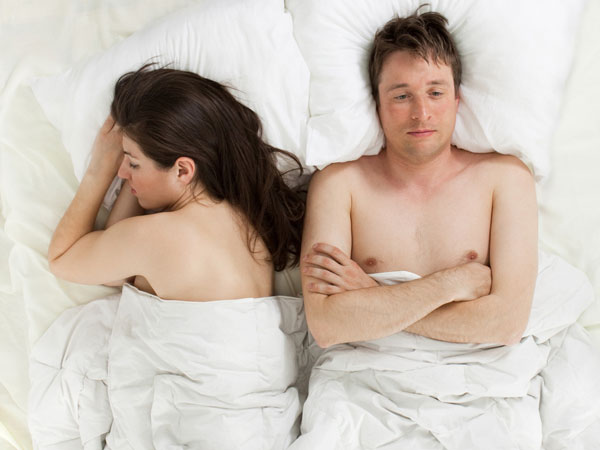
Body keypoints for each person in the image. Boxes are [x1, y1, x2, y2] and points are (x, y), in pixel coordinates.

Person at [300, 9, 537, 348]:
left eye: (435, 93)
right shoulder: (339, 185)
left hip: (478, 369)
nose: (421, 113)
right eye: (401, 96)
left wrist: (371, 294)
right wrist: (450, 284)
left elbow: (506, 324)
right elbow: (326, 325)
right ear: (377, 105)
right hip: (366, 371)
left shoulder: (506, 179)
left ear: (457, 100)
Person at [48, 65, 305, 300]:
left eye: (133, 164)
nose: (122, 173)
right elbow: (117, 268)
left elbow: (62, 259)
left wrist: (99, 169)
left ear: (182, 170)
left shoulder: (156, 236)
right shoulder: (248, 226)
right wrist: (138, 160)